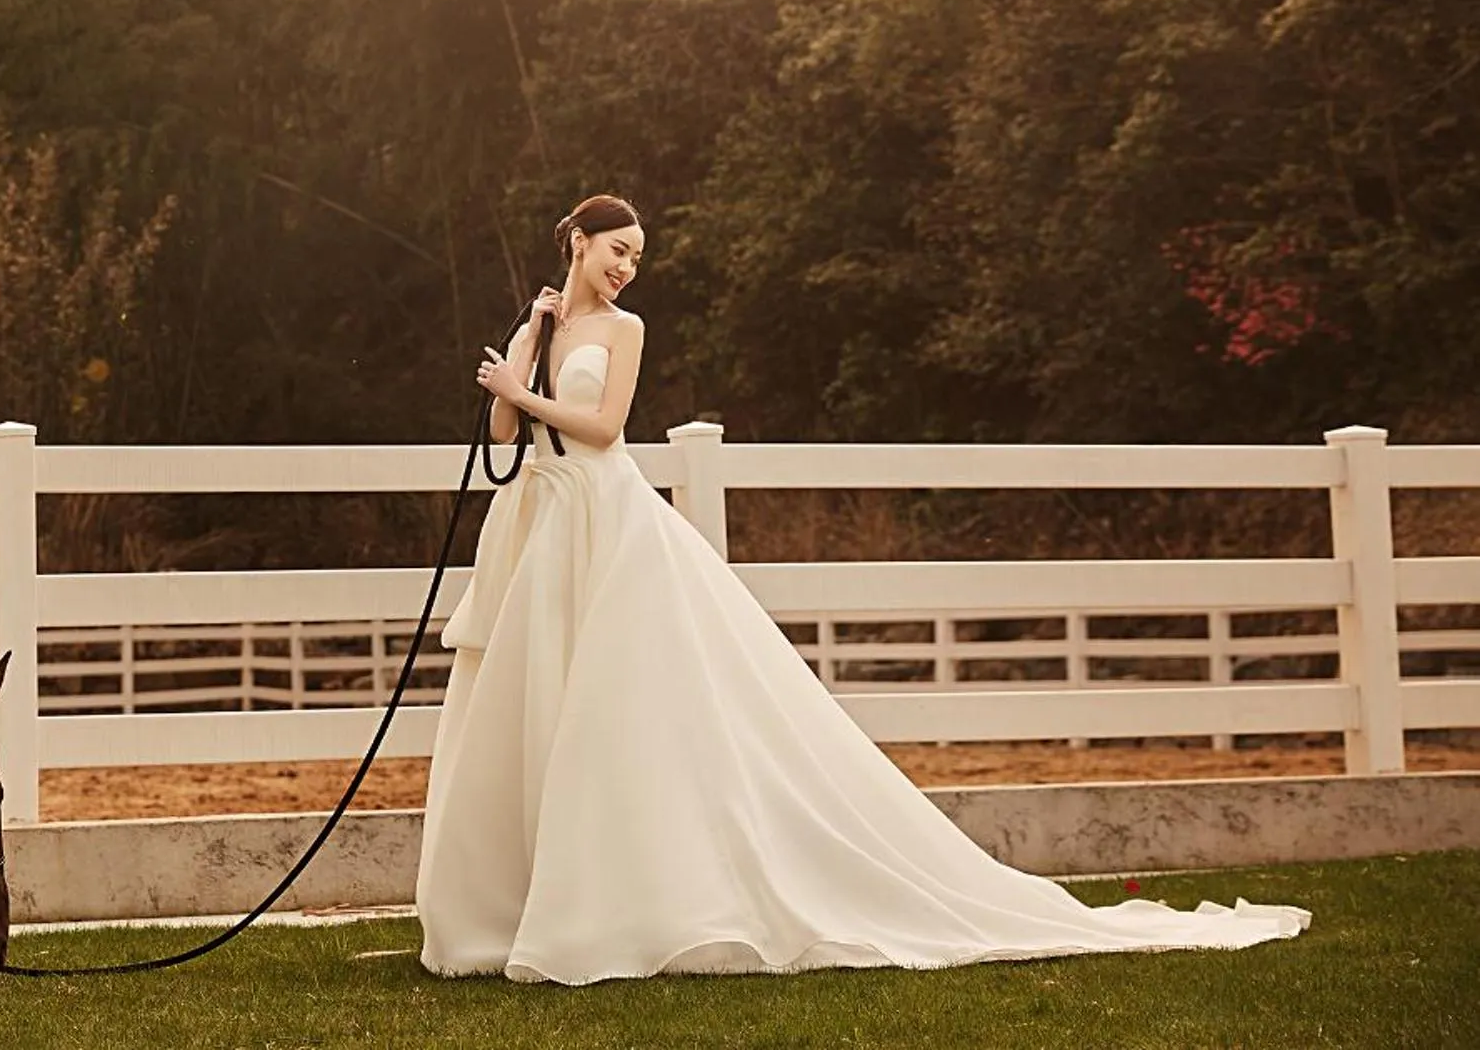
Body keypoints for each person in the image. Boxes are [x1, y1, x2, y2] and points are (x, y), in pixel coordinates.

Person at [414, 194, 1309, 984]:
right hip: (542, 525)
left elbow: (605, 431)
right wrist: (524, 355)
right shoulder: (550, 328)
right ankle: (523, 900)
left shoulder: (626, 330)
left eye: (638, 257)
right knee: (537, 705)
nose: (626, 267)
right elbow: (502, 429)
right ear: (579, 239)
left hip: (605, 520)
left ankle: (621, 901)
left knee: (616, 706)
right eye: (618, 249)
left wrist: (527, 399)